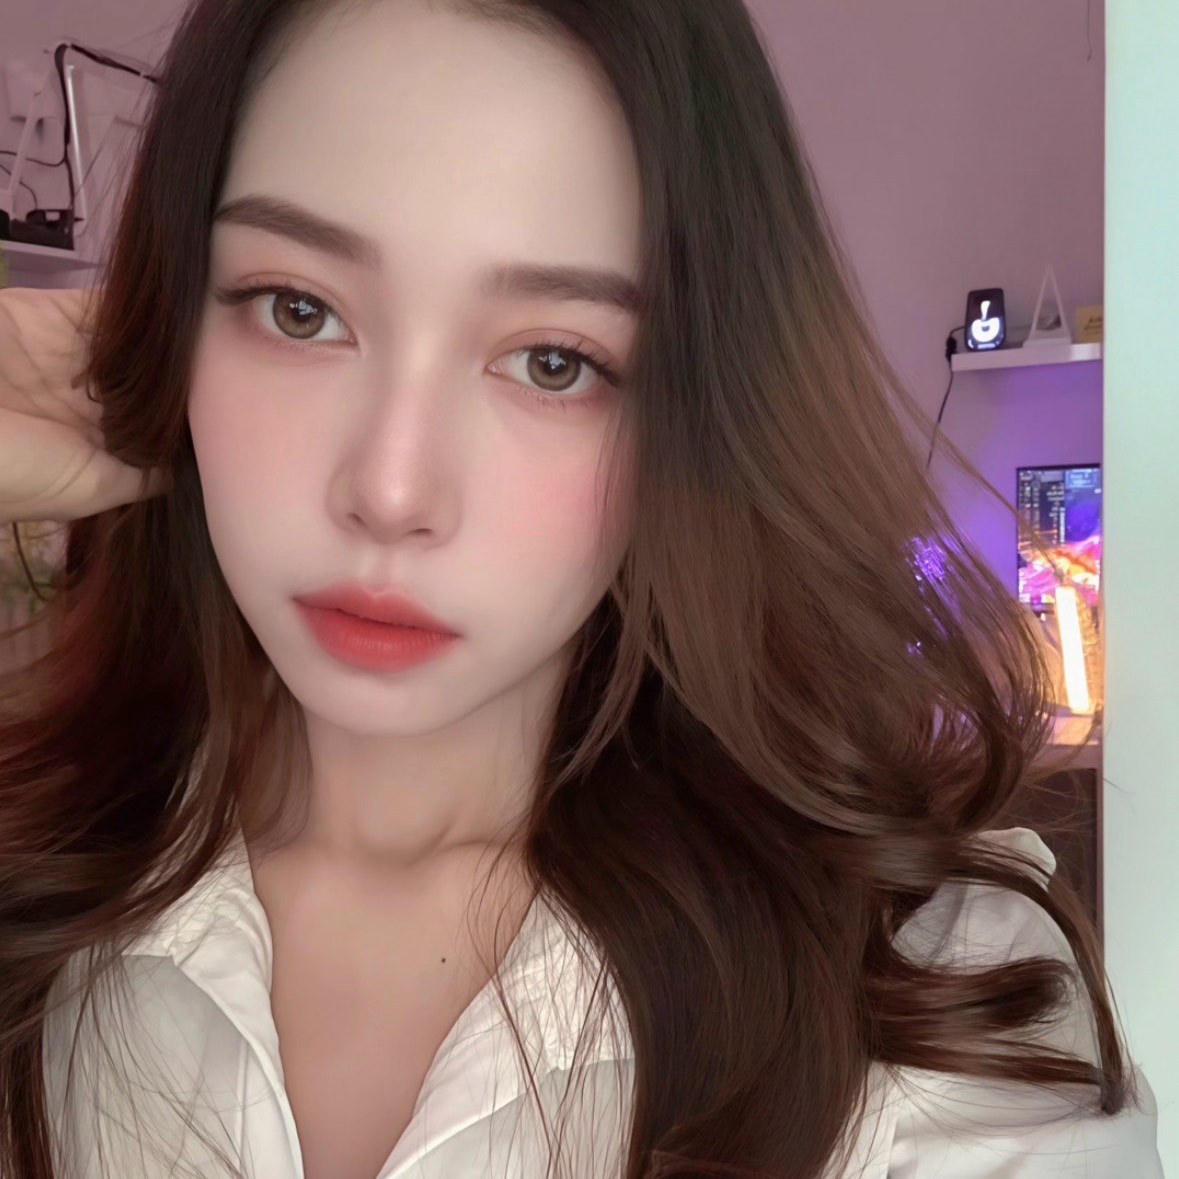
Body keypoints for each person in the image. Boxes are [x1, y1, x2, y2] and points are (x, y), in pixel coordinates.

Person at [0, 0, 1162, 1176]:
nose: (392, 491)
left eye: (554, 362)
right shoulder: (38, 892)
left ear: (698, 413)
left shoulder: (926, 997)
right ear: (179, 324)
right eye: (300, 310)